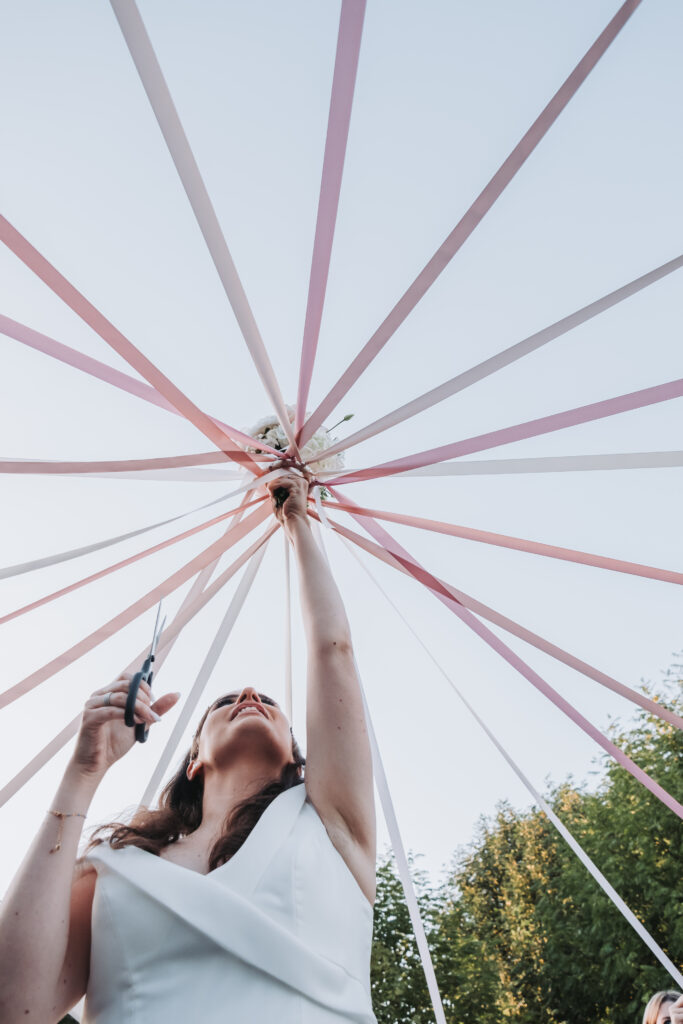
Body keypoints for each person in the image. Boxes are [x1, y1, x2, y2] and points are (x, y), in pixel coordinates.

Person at [0, 468, 377, 1023]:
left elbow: (333, 651)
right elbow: (15, 1007)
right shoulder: (114, 865)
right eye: (225, 701)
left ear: (298, 759)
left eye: (268, 701)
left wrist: (297, 520)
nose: (249, 695)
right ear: (194, 759)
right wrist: (84, 772)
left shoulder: (331, 823)